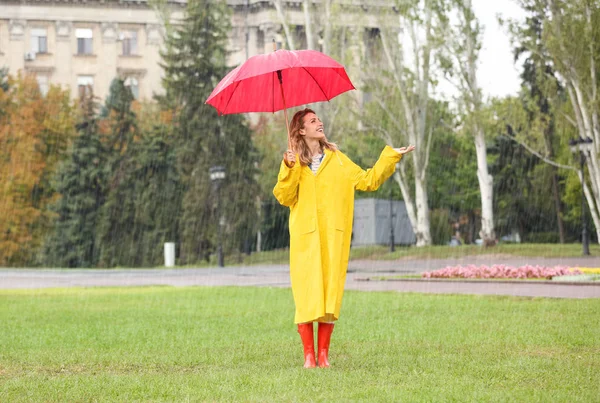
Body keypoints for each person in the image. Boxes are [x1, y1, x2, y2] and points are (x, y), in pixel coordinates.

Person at [273, 108, 415, 368]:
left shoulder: (337, 159)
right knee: (305, 295)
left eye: (319, 119)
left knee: (329, 293)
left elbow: (367, 180)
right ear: (301, 130)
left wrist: (391, 157)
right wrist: (289, 168)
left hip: (332, 238)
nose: (320, 122)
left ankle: (323, 356)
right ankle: (308, 356)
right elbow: (284, 197)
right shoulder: (294, 163)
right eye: (313, 121)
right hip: (305, 239)